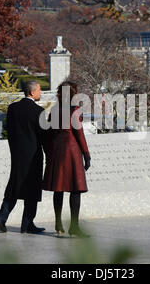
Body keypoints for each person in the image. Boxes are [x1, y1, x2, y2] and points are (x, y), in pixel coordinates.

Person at [0, 80, 46, 234]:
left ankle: (1, 219)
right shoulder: (39, 111)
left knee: (14, 187)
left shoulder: (12, 108)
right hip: (34, 156)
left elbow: (9, 131)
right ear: (32, 92)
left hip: (17, 154)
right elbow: (43, 136)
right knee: (33, 189)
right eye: (39, 90)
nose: (40, 93)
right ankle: (27, 224)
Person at [42, 81, 91, 238]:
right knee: (75, 189)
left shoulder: (55, 110)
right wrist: (86, 154)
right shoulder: (74, 110)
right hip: (71, 151)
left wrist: (49, 152)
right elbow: (79, 134)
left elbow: (49, 133)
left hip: (56, 151)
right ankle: (74, 227)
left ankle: (58, 224)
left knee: (59, 188)